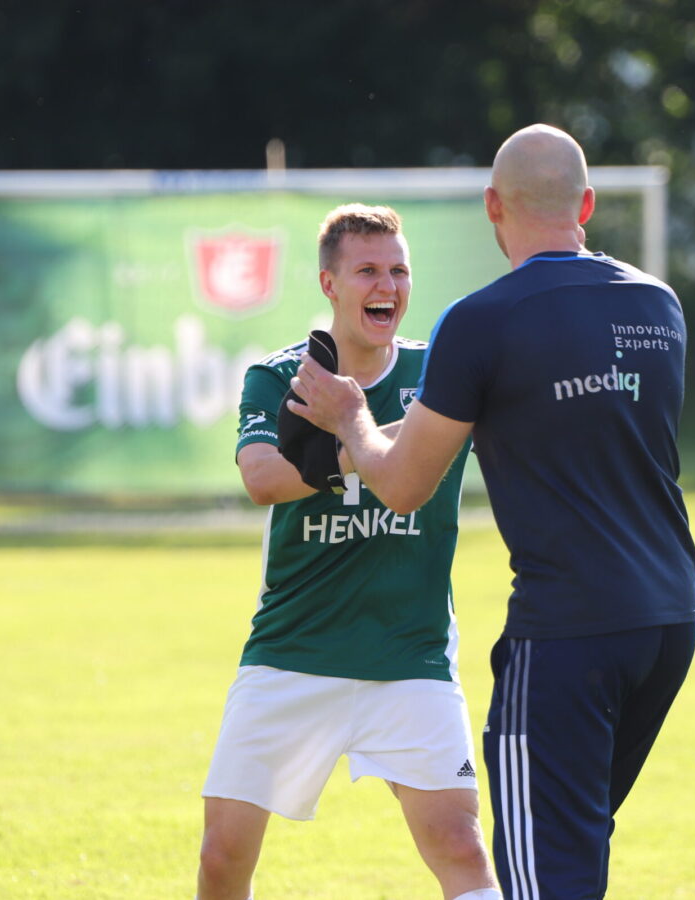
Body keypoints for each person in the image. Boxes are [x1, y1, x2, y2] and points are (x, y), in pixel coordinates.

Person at [288, 126, 695, 898]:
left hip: (568, 633)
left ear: (492, 207)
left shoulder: (483, 321)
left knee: (542, 870)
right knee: (569, 849)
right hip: (670, 622)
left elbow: (402, 485)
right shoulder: (659, 303)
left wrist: (350, 417)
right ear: (586, 204)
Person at [197, 204, 501, 900]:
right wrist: (367, 437)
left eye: (399, 270)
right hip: (293, 649)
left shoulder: (439, 375)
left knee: (460, 845)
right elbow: (262, 478)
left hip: (411, 654)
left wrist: (360, 431)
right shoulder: (283, 377)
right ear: (329, 284)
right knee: (221, 858)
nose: (386, 285)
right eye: (367, 270)